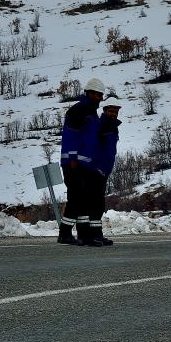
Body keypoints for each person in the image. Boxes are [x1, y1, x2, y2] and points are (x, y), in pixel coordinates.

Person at [58, 78, 105, 246]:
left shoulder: (91, 113)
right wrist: (72, 158)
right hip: (74, 163)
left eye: (100, 95)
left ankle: (84, 235)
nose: (98, 97)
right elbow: (71, 135)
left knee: (84, 199)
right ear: (88, 93)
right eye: (95, 94)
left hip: (85, 164)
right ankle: (64, 233)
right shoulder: (78, 110)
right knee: (76, 198)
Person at [94, 104, 122, 246]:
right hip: (96, 169)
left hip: (105, 169)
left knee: (99, 203)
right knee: (95, 203)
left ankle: (96, 234)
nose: (113, 114)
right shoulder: (100, 125)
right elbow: (93, 146)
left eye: (116, 112)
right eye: (111, 111)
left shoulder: (113, 126)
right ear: (104, 111)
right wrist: (96, 166)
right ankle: (92, 235)